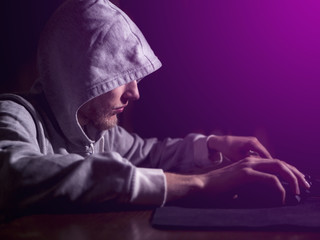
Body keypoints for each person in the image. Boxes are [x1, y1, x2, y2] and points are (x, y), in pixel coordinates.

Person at [0, 0, 310, 214]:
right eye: (118, 76)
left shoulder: (96, 131)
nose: (134, 92)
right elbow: (16, 176)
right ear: (77, 74)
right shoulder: (15, 115)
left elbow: (150, 154)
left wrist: (213, 145)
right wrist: (202, 183)